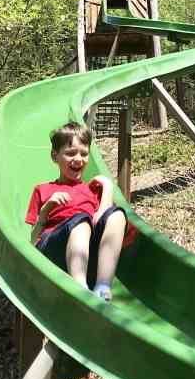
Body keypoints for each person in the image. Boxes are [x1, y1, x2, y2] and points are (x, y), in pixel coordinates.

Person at [25, 122, 128, 301]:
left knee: (117, 215)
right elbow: (32, 242)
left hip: (86, 256)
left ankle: (103, 286)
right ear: (54, 156)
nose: (78, 159)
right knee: (80, 221)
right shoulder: (43, 189)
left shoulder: (92, 191)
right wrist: (46, 209)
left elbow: (103, 217)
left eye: (84, 153)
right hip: (53, 250)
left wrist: (107, 185)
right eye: (70, 153)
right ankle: (80, 289)